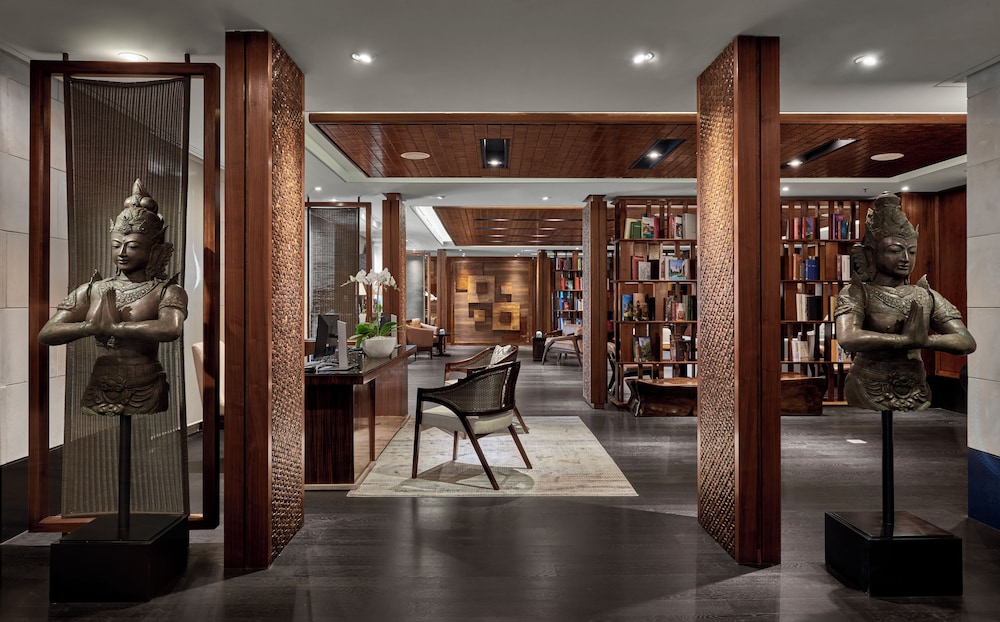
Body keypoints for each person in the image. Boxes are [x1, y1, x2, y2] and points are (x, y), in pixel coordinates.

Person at [38, 179, 188, 416]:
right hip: (100, 384)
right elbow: (47, 332)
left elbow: (170, 328)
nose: (122, 253)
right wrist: (89, 327)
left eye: (133, 246)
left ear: (154, 251)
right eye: (116, 245)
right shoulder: (92, 290)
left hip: (146, 384)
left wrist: (116, 328)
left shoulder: (166, 290)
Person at [834, 192, 975, 411]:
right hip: (869, 384)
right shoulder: (857, 292)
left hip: (916, 386)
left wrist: (926, 341)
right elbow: (848, 337)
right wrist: (903, 340)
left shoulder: (925, 294)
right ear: (870, 253)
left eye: (912, 251)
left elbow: (966, 341)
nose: (905, 259)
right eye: (895, 251)